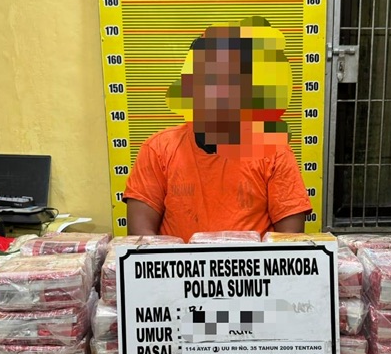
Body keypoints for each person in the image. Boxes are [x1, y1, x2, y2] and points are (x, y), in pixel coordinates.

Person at [124, 17, 312, 242]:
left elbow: (290, 240)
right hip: (177, 265)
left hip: (252, 265)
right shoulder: (158, 150)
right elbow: (140, 237)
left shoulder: (275, 152)